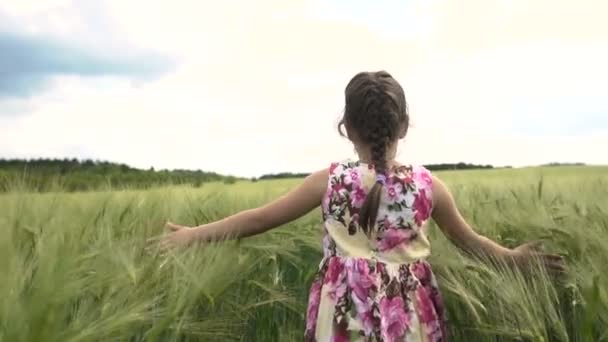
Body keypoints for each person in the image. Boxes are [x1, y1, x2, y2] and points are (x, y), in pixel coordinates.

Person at [152, 71, 565, 341]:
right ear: (404, 125)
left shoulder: (328, 180)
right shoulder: (429, 186)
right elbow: (470, 242)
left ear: (345, 127)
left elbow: (259, 219)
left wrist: (194, 236)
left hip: (343, 312)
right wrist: (513, 258)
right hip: (409, 315)